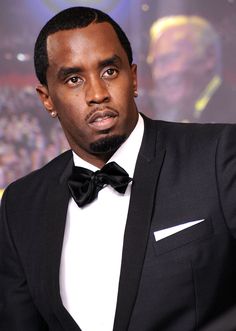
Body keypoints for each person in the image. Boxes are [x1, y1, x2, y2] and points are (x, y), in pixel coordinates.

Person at [1, 6, 236, 331]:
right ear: (47, 99)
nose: (97, 94)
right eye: (73, 79)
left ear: (134, 77)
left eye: (110, 71)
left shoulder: (218, 155)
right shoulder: (20, 204)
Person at [148, 15, 236, 123]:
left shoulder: (231, 112)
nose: (160, 74)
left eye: (170, 58)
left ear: (209, 57)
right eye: (154, 64)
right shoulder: (167, 119)